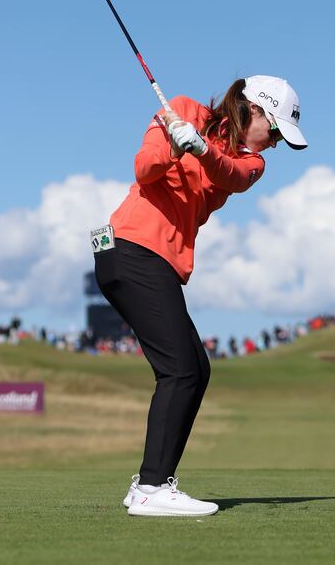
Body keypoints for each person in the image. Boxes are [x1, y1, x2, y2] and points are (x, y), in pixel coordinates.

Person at [94, 76, 306, 517]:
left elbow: (229, 174)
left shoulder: (251, 163)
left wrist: (201, 149)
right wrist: (175, 144)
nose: (274, 145)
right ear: (255, 110)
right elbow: (143, 170)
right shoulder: (183, 109)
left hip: (156, 261)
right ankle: (152, 487)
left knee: (195, 369)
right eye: (276, 132)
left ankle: (152, 483)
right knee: (181, 371)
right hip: (130, 248)